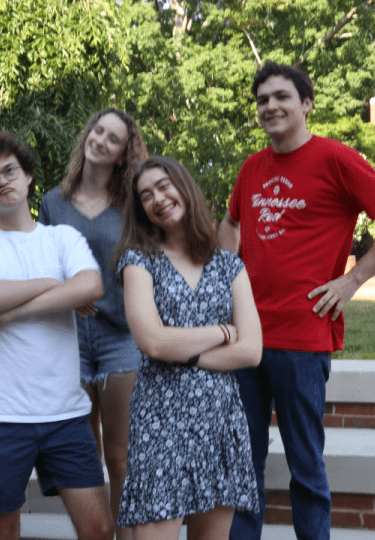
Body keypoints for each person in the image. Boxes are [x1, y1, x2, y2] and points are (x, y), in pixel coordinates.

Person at [217, 61, 375, 540]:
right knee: (240, 468)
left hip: (302, 336)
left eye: (281, 97)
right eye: (262, 99)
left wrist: (352, 280)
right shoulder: (252, 168)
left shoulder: (335, 158)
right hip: (246, 336)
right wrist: (223, 281)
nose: (270, 106)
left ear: (306, 103)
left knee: (305, 466)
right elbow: (231, 224)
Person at [0, 132, 113, 540]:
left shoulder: (62, 238)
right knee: (2, 531)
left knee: (98, 528)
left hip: (66, 413)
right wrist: (51, 284)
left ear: (28, 177)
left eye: (10, 171)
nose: (2, 181)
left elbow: (91, 286)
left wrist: (13, 310)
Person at [114, 156, 262, 540]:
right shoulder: (138, 262)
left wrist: (185, 350)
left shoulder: (230, 265)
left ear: (184, 187)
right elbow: (153, 341)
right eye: (146, 196)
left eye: (164, 186)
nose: (157, 199)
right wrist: (223, 332)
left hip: (219, 419)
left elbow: (252, 352)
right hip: (160, 421)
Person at [38, 108, 147, 540]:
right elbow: (43, 265)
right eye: (97, 130)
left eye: (113, 138)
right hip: (69, 339)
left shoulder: (132, 204)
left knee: (119, 458)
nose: (100, 140)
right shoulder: (53, 202)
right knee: (84, 458)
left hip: (120, 336)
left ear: (123, 154)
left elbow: (148, 264)